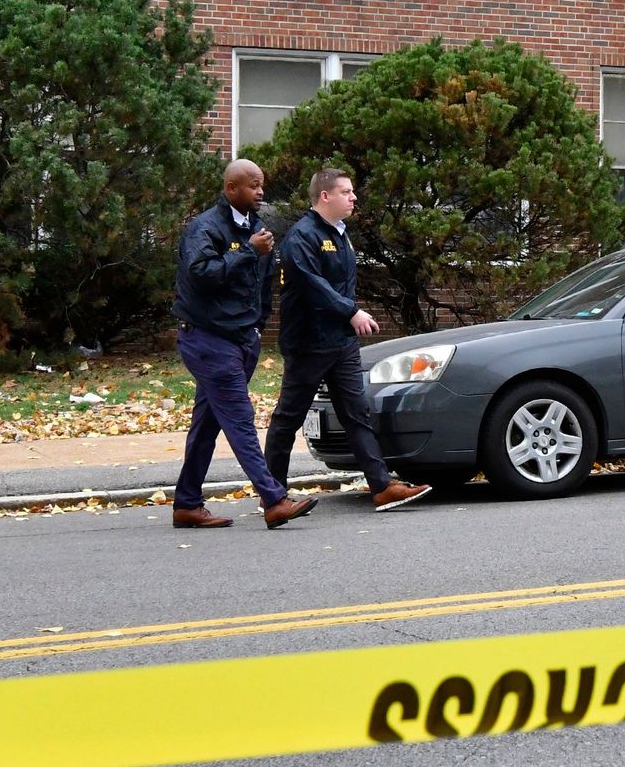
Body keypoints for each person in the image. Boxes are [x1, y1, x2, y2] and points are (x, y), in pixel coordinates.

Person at [263, 167, 431, 513]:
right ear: (325, 196)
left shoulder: (340, 234)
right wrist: (351, 312)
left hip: (340, 343)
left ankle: (382, 487)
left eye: (352, 192)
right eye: (346, 192)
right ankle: (272, 494)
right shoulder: (302, 237)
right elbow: (312, 286)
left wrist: (347, 318)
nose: (354, 198)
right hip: (309, 343)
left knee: (357, 415)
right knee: (288, 418)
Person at [170, 159, 319, 530]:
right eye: (253, 185)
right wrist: (249, 251)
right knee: (239, 418)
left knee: (207, 424)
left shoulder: (256, 230)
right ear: (231, 188)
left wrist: (256, 327)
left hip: (241, 339)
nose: (261, 192)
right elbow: (201, 274)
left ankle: (187, 503)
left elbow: (262, 284)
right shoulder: (204, 228)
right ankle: (274, 499)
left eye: (262, 185)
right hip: (207, 339)